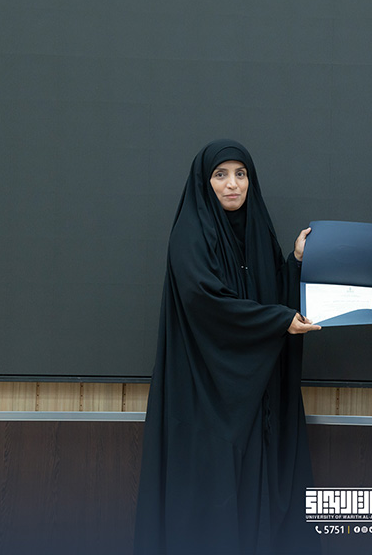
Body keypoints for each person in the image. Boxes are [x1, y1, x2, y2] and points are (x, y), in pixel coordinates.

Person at [133, 139, 321, 555]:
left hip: (254, 395)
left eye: (241, 174)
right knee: (212, 502)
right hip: (206, 394)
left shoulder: (258, 231)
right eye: (221, 175)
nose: (232, 184)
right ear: (205, 182)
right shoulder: (190, 235)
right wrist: (277, 321)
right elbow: (206, 302)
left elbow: (273, 293)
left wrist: (295, 261)